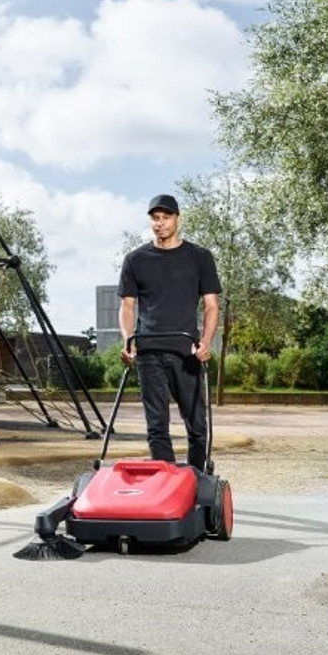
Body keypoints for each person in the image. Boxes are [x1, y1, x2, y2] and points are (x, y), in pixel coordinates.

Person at [117, 194, 221, 472]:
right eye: (155, 218)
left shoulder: (199, 257)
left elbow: (211, 306)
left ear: (177, 219)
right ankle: (166, 482)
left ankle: (197, 478)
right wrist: (128, 341)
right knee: (157, 427)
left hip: (186, 351)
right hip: (148, 351)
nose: (160, 223)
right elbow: (127, 306)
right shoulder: (135, 260)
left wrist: (206, 342)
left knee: (197, 425)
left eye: (166, 217)